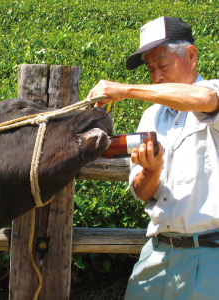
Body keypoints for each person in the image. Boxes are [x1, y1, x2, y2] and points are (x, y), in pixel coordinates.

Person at [87, 16, 219, 299]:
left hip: (210, 258)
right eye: (150, 69)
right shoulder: (151, 116)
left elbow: (204, 100)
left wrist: (124, 90)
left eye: (163, 65)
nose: (156, 76)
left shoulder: (213, 91)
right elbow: (141, 191)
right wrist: (151, 171)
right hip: (157, 253)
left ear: (191, 55)